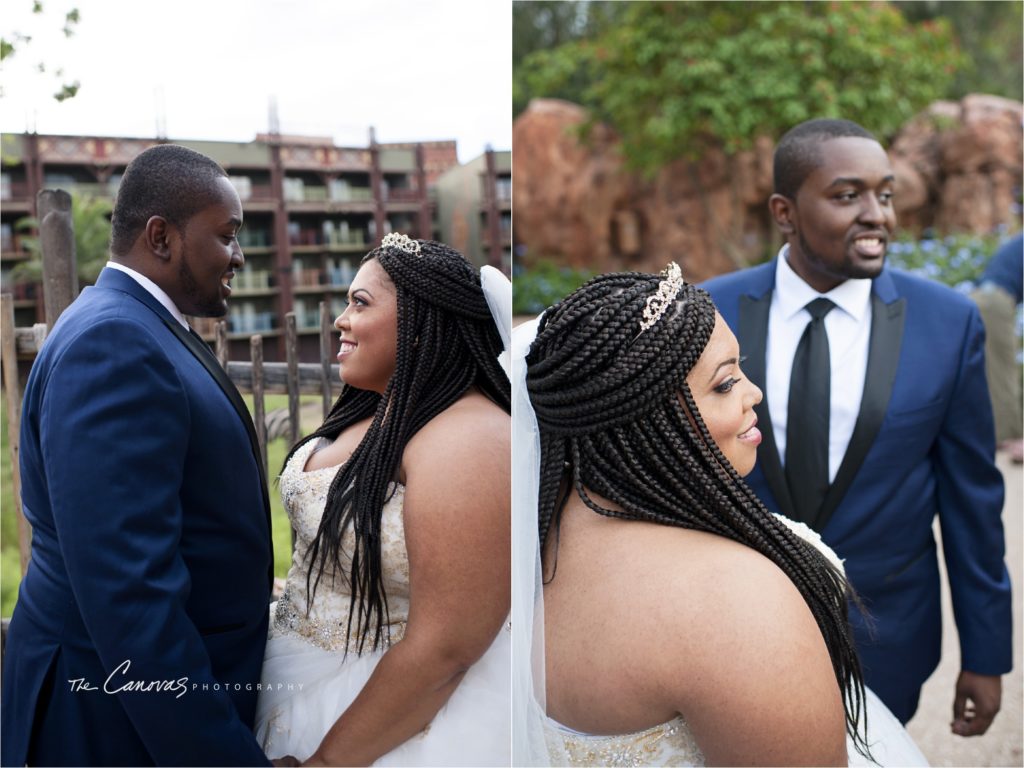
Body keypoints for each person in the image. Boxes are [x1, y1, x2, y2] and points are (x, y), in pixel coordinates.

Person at [511, 265, 927, 766]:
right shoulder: (733, 599)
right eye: (726, 384)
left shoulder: (530, 549)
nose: (754, 394)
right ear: (645, 414)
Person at [702, 118, 1012, 730]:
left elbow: (972, 500)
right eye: (848, 196)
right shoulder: (711, 311)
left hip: (889, 637)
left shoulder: (949, 324)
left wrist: (986, 653)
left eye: (886, 194)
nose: (878, 215)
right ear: (785, 212)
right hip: (731, 630)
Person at [1, 144, 273, 766]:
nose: (238, 255)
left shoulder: (137, 324)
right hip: (106, 717)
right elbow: (130, 592)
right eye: (226, 236)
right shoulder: (115, 342)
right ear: (161, 237)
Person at [255, 234, 511, 766]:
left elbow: (447, 648)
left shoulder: (473, 439)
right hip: (293, 665)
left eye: (360, 302)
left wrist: (323, 763)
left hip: (384, 710)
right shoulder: (374, 409)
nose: (340, 321)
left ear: (421, 325)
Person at [970, 232, 1023, 463]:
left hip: (983, 298)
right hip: (994, 304)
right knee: (1003, 372)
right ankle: (1012, 441)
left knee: (989, 370)